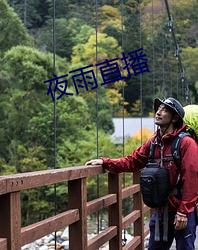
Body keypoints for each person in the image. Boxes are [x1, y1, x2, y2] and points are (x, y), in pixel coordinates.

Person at [85, 97, 198, 250]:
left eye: (164, 110)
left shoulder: (186, 143)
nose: (158, 112)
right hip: (161, 211)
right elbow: (132, 161)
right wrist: (105, 162)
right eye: (158, 109)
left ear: (175, 118)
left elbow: (192, 178)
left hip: (181, 211)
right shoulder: (153, 143)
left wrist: (184, 212)